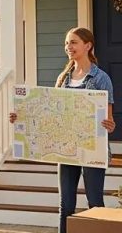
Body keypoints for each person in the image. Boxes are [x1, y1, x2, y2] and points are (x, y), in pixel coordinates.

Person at [9, 27, 115, 233]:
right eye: (67, 43)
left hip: (92, 149)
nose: (68, 47)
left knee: (95, 203)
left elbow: (108, 120)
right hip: (66, 149)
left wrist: (109, 125)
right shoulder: (63, 78)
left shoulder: (101, 78)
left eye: (73, 42)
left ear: (88, 46)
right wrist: (21, 116)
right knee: (65, 205)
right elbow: (50, 113)